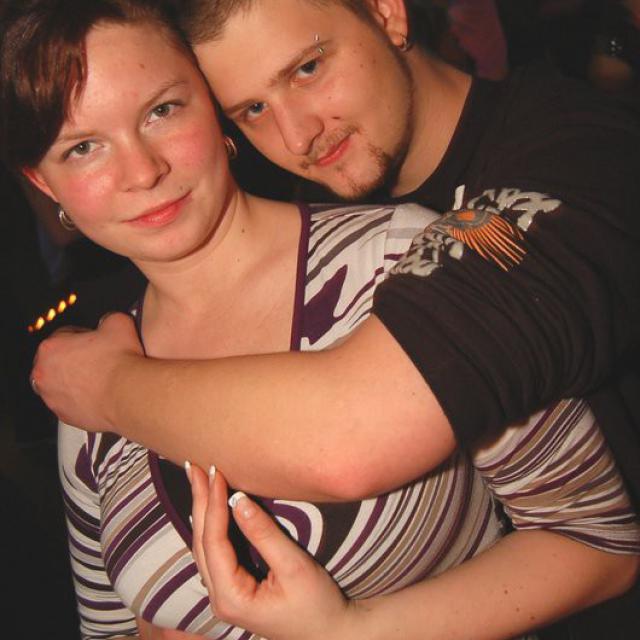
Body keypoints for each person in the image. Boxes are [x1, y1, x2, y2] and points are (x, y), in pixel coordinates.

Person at [3, 1, 639, 639]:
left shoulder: (405, 254)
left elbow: (591, 532)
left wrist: (352, 629)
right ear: (44, 184)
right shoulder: (77, 387)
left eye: (161, 111)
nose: (143, 171)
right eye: (82, 147)